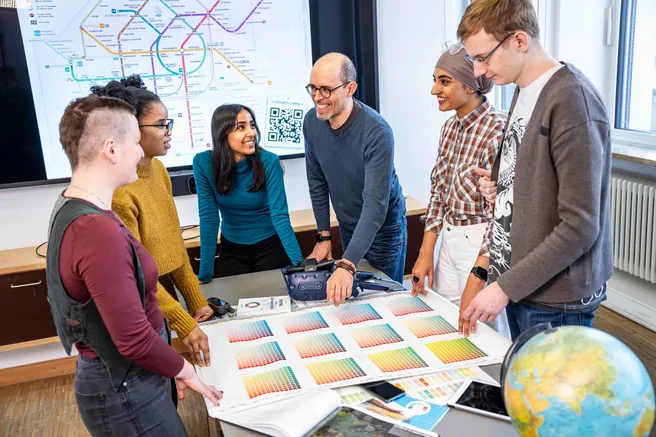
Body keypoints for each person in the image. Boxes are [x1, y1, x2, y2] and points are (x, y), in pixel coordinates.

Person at [47, 95, 222, 436]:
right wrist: (182, 368)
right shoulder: (97, 230)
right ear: (111, 149)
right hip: (125, 389)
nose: (141, 153)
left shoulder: (77, 205)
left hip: (133, 376)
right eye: (133, 143)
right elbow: (131, 338)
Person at [457, 0, 613, 339]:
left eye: (483, 57)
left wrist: (504, 288)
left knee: (550, 393)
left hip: (554, 299)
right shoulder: (523, 89)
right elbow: (538, 179)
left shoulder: (572, 100)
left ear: (519, 41)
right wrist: (501, 186)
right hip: (523, 285)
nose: (479, 72)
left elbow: (581, 226)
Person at [91, 76, 213, 367]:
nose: (168, 132)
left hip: (159, 304)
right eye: (160, 125)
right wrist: (185, 323)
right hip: (139, 313)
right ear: (131, 130)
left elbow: (173, 245)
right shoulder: (119, 193)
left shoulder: (157, 169)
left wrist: (196, 301)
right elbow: (138, 276)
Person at [410, 44, 510, 338]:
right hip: (450, 241)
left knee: (485, 333)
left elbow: (503, 217)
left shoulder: (498, 131)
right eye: (435, 80)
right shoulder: (450, 128)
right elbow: (439, 193)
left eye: (444, 81)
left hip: (481, 245)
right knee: (448, 329)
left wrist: (479, 275)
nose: (434, 90)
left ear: (469, 86)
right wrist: (426, 251)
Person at [303, 52, 407, 307]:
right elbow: (317, 182)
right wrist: (323, 236)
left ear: (350, 88)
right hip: (349, 226)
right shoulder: (311, 122)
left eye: (326, 90)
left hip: (384, 230)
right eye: (313, 88)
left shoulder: (377, 132)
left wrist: (347, 264)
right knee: (354, 303)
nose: (317, 97)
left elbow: (375, 207)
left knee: (385, 303)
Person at [193, 104, 303, 282]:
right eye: (241, 127)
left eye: (252, 125)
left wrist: (301, 265)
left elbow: (280, 216)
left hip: (270, 247)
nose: (251, 133)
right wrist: (205, 274)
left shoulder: (269, 161)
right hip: (231, 249)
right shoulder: (203, 163)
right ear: (223, 133)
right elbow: (209, 219)